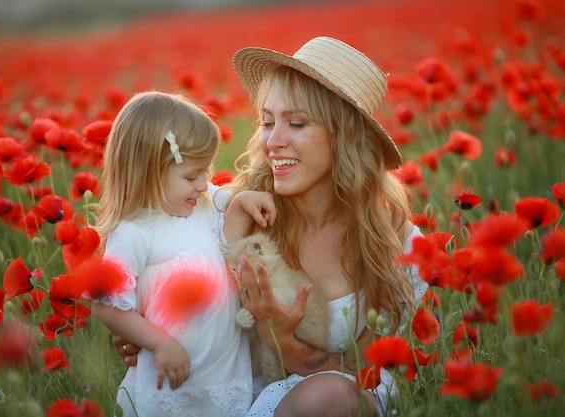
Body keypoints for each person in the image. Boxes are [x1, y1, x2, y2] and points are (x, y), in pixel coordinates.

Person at [117, 37, 428, 417]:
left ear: (346, 137)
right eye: (267, 122)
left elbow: (368, 375)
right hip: (217, 400)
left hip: (322, 403)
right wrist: (144, 328)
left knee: (332, 397)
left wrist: (281, 339)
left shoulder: (393, 242)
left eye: (296, 123)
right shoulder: (231, 213)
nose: (272, 141)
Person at [91, 91, 275, 417]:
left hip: (224, 377)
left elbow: (224, 198)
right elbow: (107, 306)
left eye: (204, 173)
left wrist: (244, 199)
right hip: (173, 382)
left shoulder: (198, 207)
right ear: (148, 172)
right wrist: (160, 344)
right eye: (192, 176)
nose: (204, 185)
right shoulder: (133, 232)